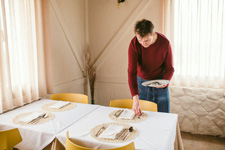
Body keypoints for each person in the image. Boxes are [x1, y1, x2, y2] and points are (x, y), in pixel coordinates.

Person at [128, 19, 174, 115]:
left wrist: (165, 82)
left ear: (153, 34)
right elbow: (131, 72)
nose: (143, 43)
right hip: (142, 83)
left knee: (163, 116)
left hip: (161, 83)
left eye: (146, 40)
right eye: (140, 40)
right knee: (142, 117)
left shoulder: (165, 43)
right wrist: (135, 99)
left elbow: (170, 68)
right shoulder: (134, 44)